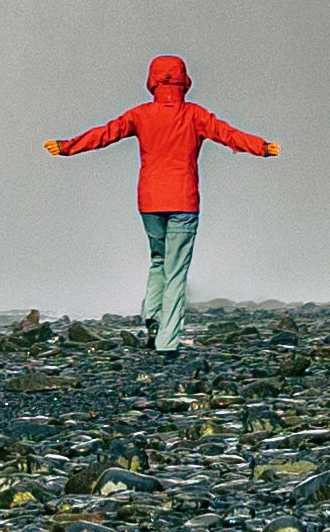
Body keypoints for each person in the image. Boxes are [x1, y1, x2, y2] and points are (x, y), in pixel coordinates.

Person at [47, 54, 279, 350]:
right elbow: (228, 134)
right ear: (184, 81)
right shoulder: (195, 115)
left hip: (150, 201)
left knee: (158, 260)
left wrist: (67, 147)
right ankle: (167, 342)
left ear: (152, 81)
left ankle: (153, 316)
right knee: (176, 270)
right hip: (183, 200)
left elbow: (104, 134)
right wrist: (263, 148)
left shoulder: (140, 115)